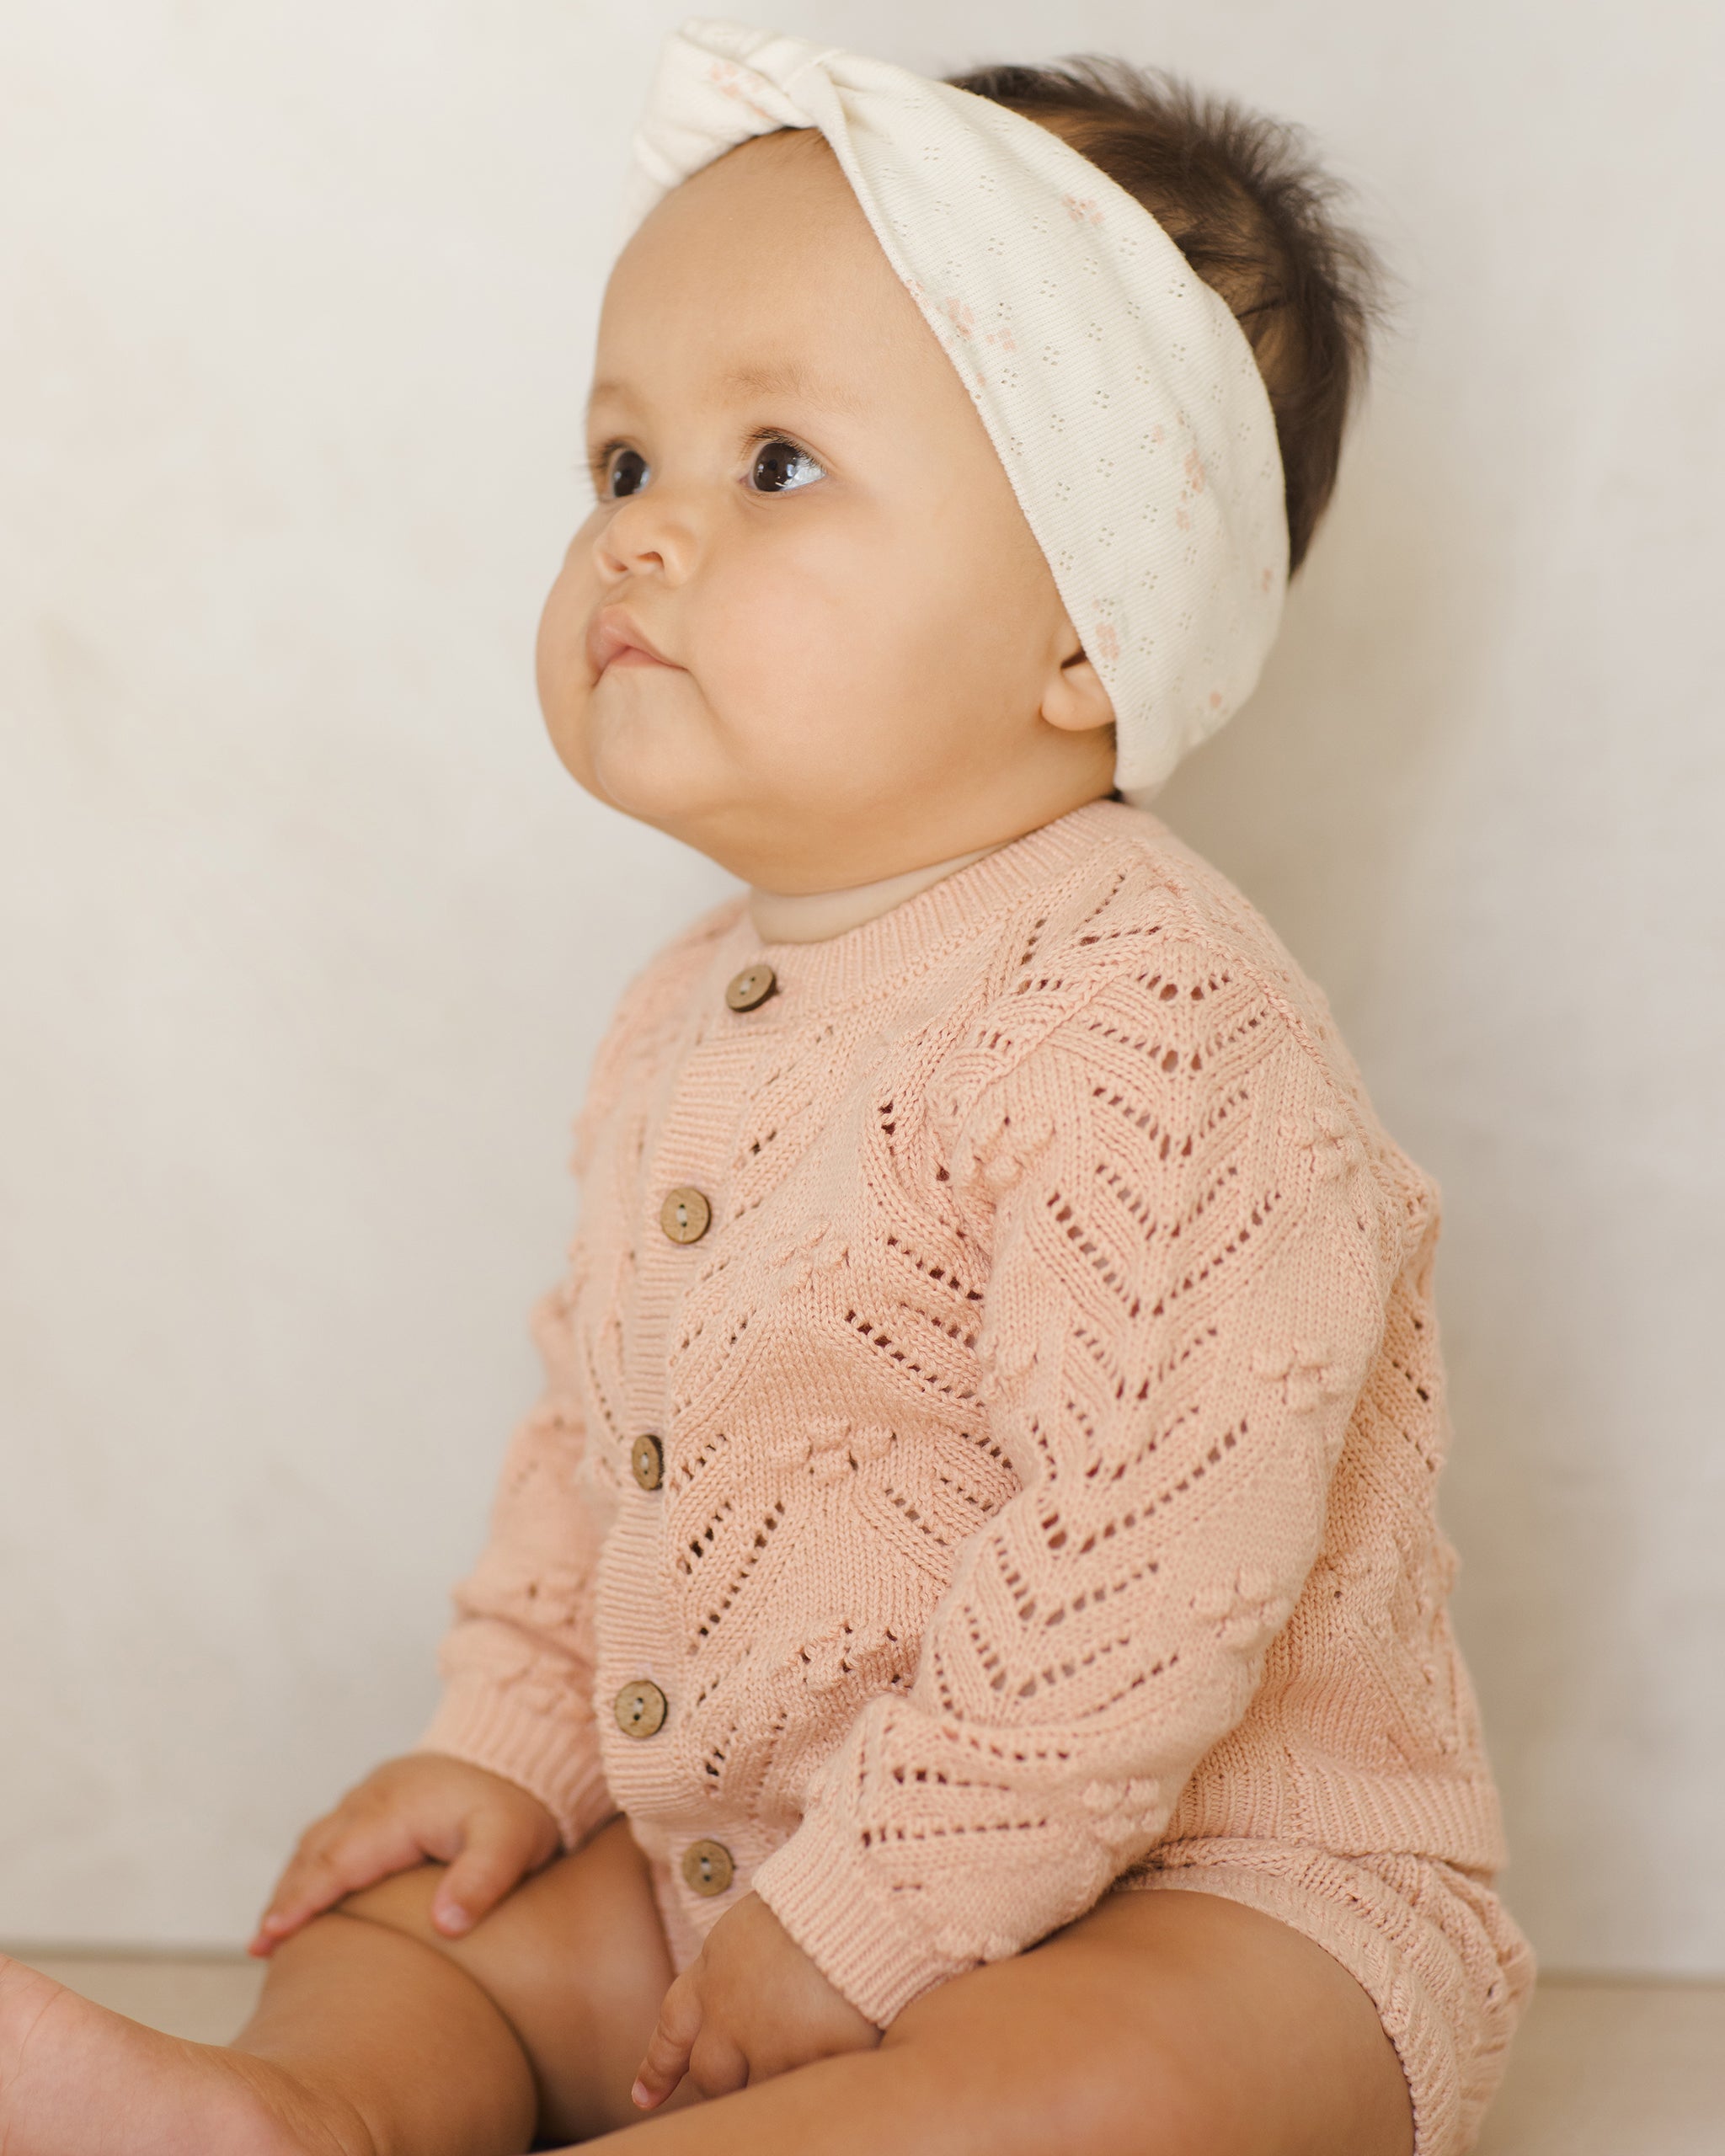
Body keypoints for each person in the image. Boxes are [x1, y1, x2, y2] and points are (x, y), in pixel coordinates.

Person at [0, 21, 1533, 2155]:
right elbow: (601, 1443)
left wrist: (885, 1904)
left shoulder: (1157, 1012)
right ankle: (301, 2112)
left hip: (1219, 1894)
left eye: (775, 465)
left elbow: (1145, 1541)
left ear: (1084, 629)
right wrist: (507, 1742)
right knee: (432, 1916)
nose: (639, 536)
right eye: (621, 464)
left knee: (1099, 2072)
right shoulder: (684, 1013)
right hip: (748, 1873)